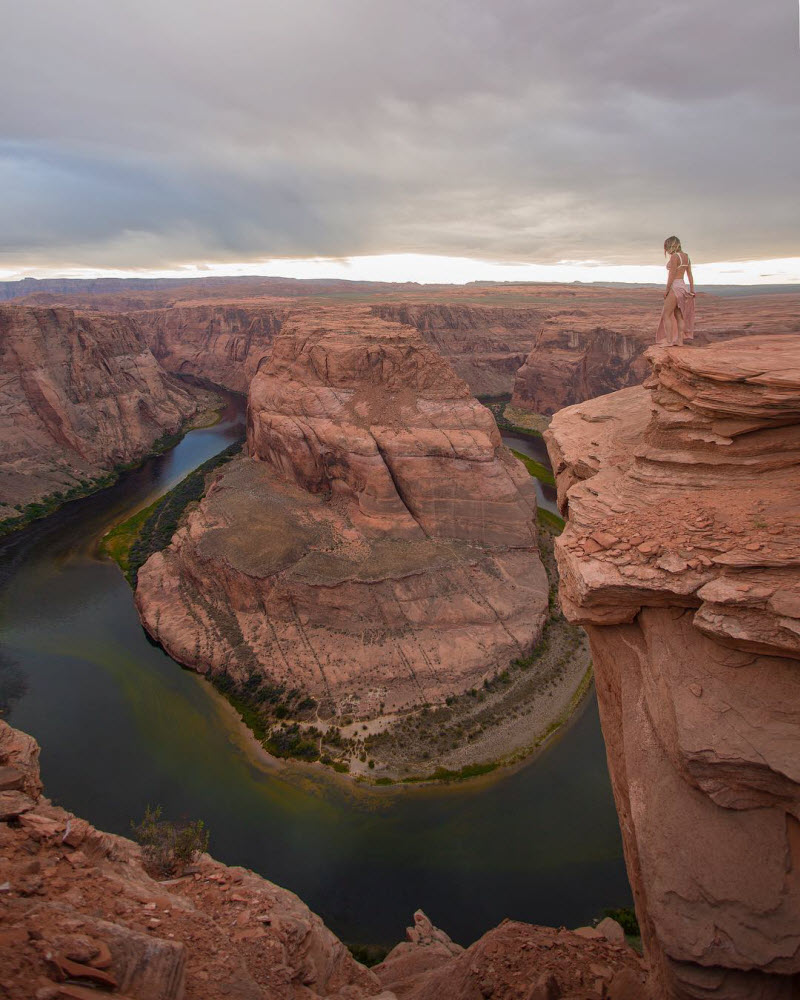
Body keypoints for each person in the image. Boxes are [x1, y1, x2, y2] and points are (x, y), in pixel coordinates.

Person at [655, 235, 695, 345]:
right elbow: (690, 274)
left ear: (671, 245)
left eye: (667, 247)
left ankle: (669, 341)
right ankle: (680, 341)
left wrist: (667, 290)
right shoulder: (686, 257)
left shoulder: (674, 257)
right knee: (678, 315)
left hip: (674, 286)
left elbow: (671, 276)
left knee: (666, 315)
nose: (666, 250)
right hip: (683, 286)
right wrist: (692, 290)